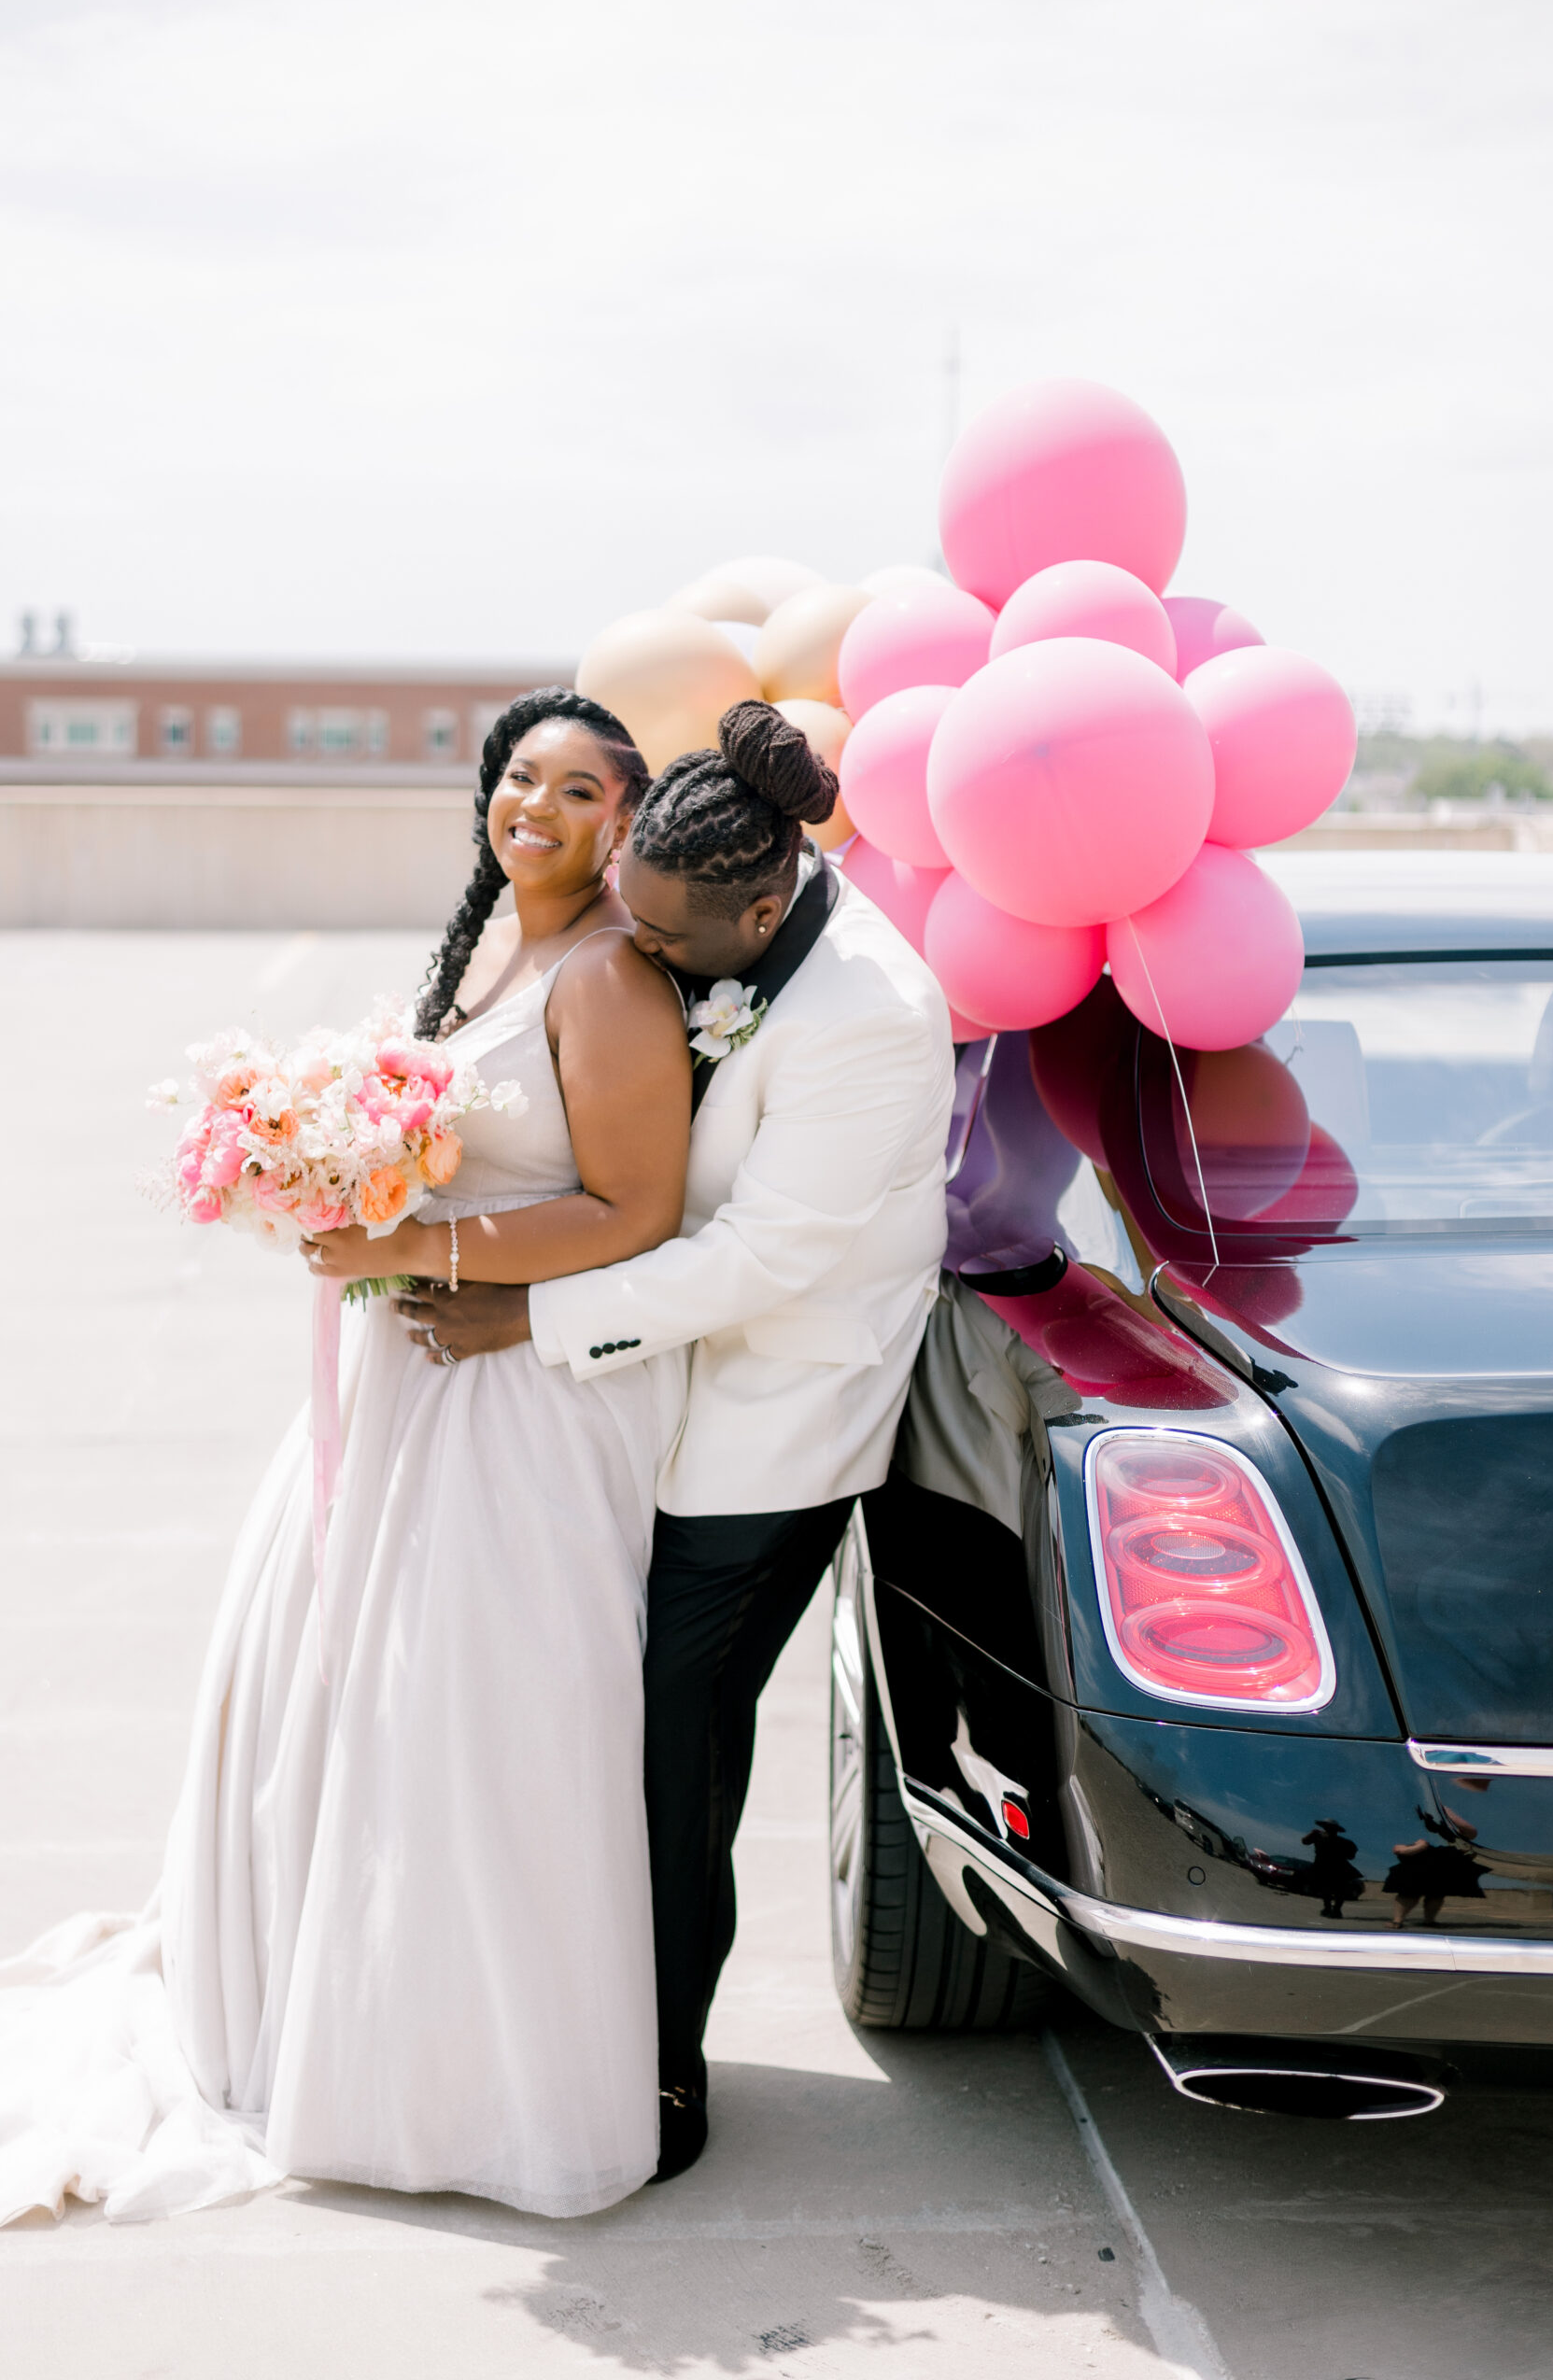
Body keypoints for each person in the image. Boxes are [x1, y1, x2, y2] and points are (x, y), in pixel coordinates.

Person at [0, 687, 694, 2225]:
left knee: (471, 1723)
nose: (539, 806)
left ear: (626, 824)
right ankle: (331, 2002)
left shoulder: (611, 982)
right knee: (337, 1694)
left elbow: (635, 1211)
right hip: (408, 1364)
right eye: (522, 776)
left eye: (581, 790)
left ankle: (472, 2078)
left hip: (518, 1396)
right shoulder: (493, 952)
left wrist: (410, 1234)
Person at [403, 700, 955, 2180]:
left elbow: (759, 1260)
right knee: (583, 1720)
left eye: (661, 940)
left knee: (673, 1753)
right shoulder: (707, 916)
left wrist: (524, 1321)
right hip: (649, 1385)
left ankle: (656, 2076)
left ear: (762, 909)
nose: (634, 956)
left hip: (772, 1432)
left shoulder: (871, 1015)